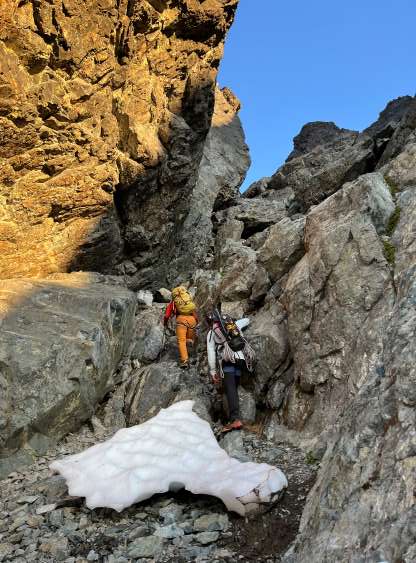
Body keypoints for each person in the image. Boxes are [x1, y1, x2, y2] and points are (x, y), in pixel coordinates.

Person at [206, 309, 255, 432]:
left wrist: (213, 372)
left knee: (230, 388)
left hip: (228, 359)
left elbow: (211, 353)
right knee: (235, 386)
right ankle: (235, 416)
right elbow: (247, 320)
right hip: (242, 359)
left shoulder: (211, 333)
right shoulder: (233, 325)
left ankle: (235, 419)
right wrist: (236, 322)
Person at [164, 286, 198, 369]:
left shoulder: (173, 302)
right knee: (190, 339)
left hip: (181, 321)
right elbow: (194, 312)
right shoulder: (187, 300)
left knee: (182, 341)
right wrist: (196, 321)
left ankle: (185, 360)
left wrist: (165, 323)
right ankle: (193, 357)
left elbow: (167, 315)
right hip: (192, 320)